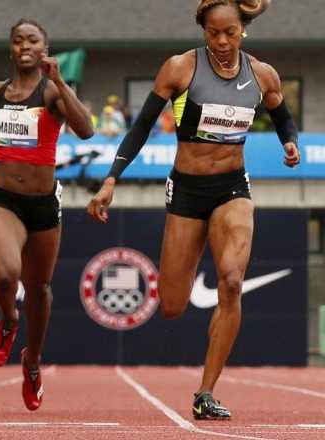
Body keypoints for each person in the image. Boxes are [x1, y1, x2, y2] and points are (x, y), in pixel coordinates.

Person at [87, 0, 297, 420]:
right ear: (203, 30)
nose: (221, 41)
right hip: (186, 190)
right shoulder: (181, 68)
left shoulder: (263, 75)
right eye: (213, 33)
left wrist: (287, 143)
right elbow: (141, 127)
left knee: (232, 282)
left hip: (232, 188)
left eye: (230, 33)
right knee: (172, 303)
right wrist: (111, 178)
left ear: (243, 31)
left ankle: (206, 391)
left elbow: (282, 117)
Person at [0, 19, 94, 411]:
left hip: (44, 203)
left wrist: (61, 82)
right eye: (18, 40)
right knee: (7, 274)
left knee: (40, 289)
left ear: (45, 48)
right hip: (2, 198)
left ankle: (31, 360)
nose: (25, 45)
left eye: (33, 40)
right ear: (10, 48)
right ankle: (9, 320)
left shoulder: (52, 93)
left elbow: (87, 130)